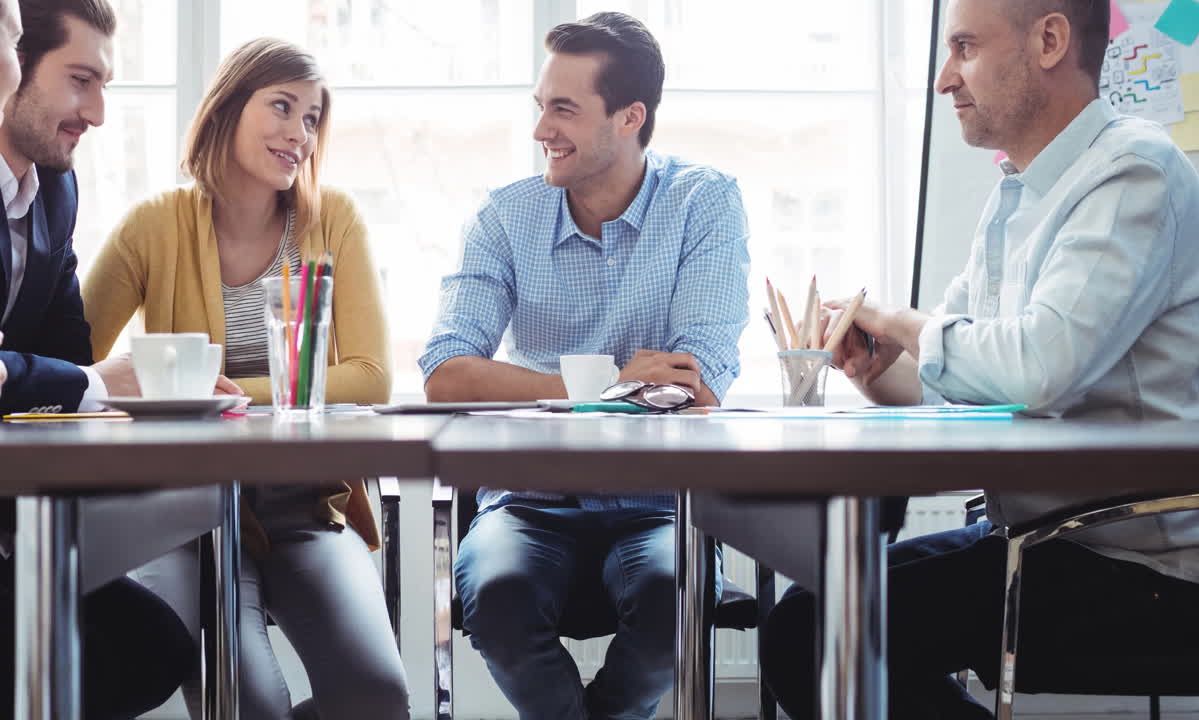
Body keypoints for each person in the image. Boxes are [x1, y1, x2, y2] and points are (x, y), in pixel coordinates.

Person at [759, 1, 1199, 718]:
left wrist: (897, 319)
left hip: (1144, 573)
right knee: (813, 618)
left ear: (1049, 40)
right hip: (1041, 541)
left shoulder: (1134, 174)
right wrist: (873, 370)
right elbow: (968, 383)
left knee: (813, 634)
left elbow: (1036, 368)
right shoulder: (1012, 198)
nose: (943, 79)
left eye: (963, 47)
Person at [420, 11, 749, 720]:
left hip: (659, 502)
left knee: (676, 599)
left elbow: (700, 384)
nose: (542, 131)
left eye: (563, 110)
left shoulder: (704, 203)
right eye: (542, 107)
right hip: (527, 500)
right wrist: (603, 387)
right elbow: (447, 370)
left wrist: (557, 388)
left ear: (630, 117)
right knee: (499, 600)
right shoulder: (506, 218)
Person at [80, 38, 406, 719]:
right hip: (186, 516)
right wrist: (137, 388)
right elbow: (68, 370)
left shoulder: (333, 221)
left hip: (304, 509)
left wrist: (210, 394)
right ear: (228, 108)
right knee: (248, 706)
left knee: (377, 697)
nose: (299, 134)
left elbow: (371, 379)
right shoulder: (153, 227)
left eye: (313, 118)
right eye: (281, 107)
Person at [0, 0, 198, 716]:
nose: (99, 112)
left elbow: (63, 352)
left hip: (20, 509)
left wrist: (85, 385)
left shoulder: (56, 187)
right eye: (81, 79)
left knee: (156, 649)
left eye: (106, 83)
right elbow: (77, 377)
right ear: (10, 66)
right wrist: (85, 384)